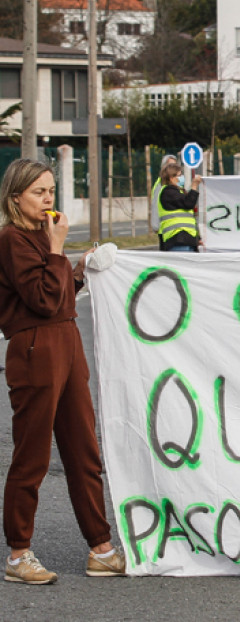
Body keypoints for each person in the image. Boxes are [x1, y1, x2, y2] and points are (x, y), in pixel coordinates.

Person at [0, 159, 126, 584]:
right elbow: (40, 299)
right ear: (16, 196)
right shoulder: (12, 239)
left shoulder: (37, 236)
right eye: (38, 191)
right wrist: (57, 251)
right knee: (32, 455)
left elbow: (57, 294)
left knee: (83, 449)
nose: (49, 199)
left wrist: (79, 269)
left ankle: (101, 548)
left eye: (51, 190)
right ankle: (18, 555)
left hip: (65, 340)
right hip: (36, 345)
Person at [157, 162, 201, 252]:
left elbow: (188, 217)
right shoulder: (168, 192)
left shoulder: (178, 192)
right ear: (172, 178)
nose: (182, 178)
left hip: (185, 239)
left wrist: (197, 238)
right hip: (178, 239)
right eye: (179, 175)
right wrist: (194, 186)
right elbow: (188, 203)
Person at [149, 154, 178, 250]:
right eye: (170, 165)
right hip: (165, 230)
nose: (173, 168)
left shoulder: (172, 183)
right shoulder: (161, 184)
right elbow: (155, 207)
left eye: (175, 165)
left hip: (173, 229)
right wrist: (155, 225)